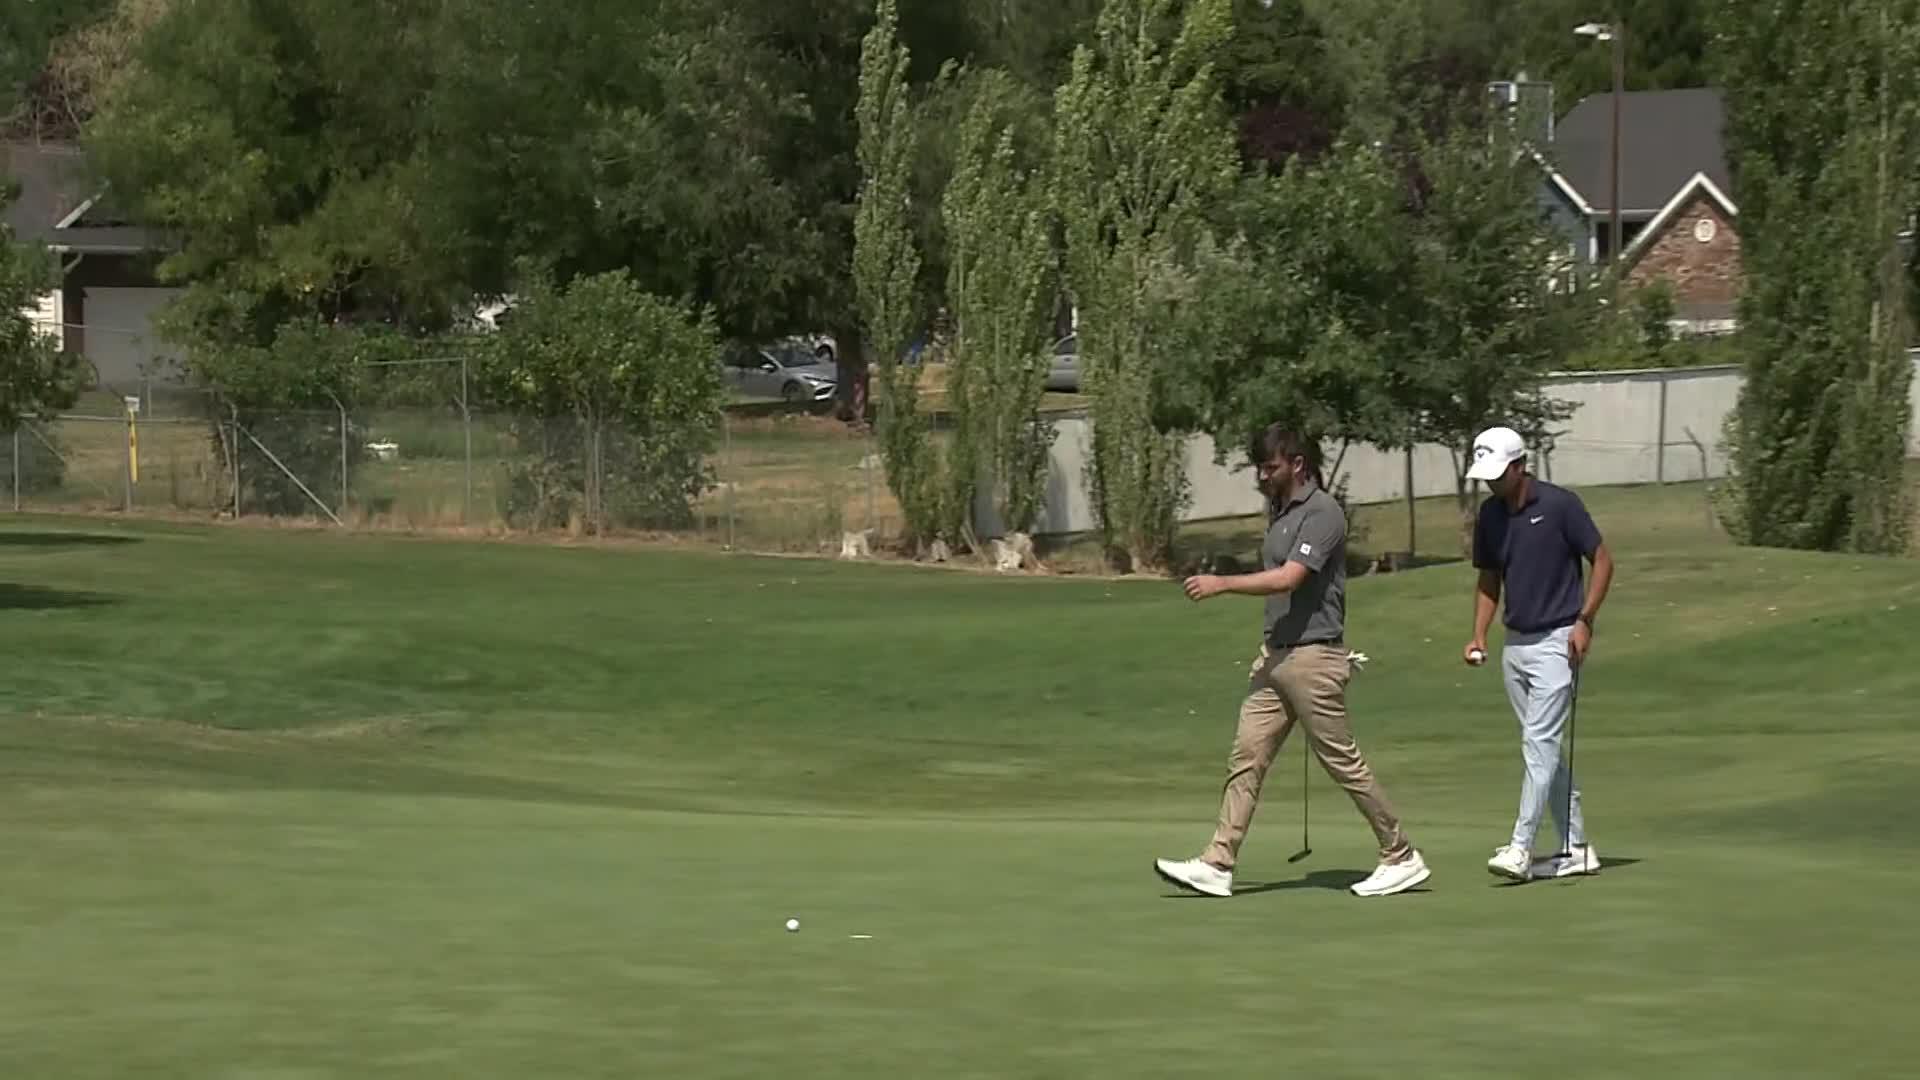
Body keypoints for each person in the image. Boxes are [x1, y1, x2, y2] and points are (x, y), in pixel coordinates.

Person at [1155, 426, 1430, 899]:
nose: (1263, 476)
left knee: (1343, 762)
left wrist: (1222, 584)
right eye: (1260, 467)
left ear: (1297, 463)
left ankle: (1400, 854)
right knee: (1246, 758)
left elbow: (1291, 578)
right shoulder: (1281, 514)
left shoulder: (1323, 512)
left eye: (1271, 467)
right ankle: (1219, 862)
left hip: (1313, 656)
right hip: (1275, 656)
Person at [1463, 425, 1615, 882]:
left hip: (1558, 640)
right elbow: (1490, 579)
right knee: (1542, 750)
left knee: (1538, 744)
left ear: (1519, 466)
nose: (1490, 482)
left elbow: (1603, 560)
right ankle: (1575, 846)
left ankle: (1521, 846)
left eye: (1497, 473)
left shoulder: (1560, 505)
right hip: (1516, 645)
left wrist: (1585, 620)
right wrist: (1478, 635)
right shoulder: (1490, 516)